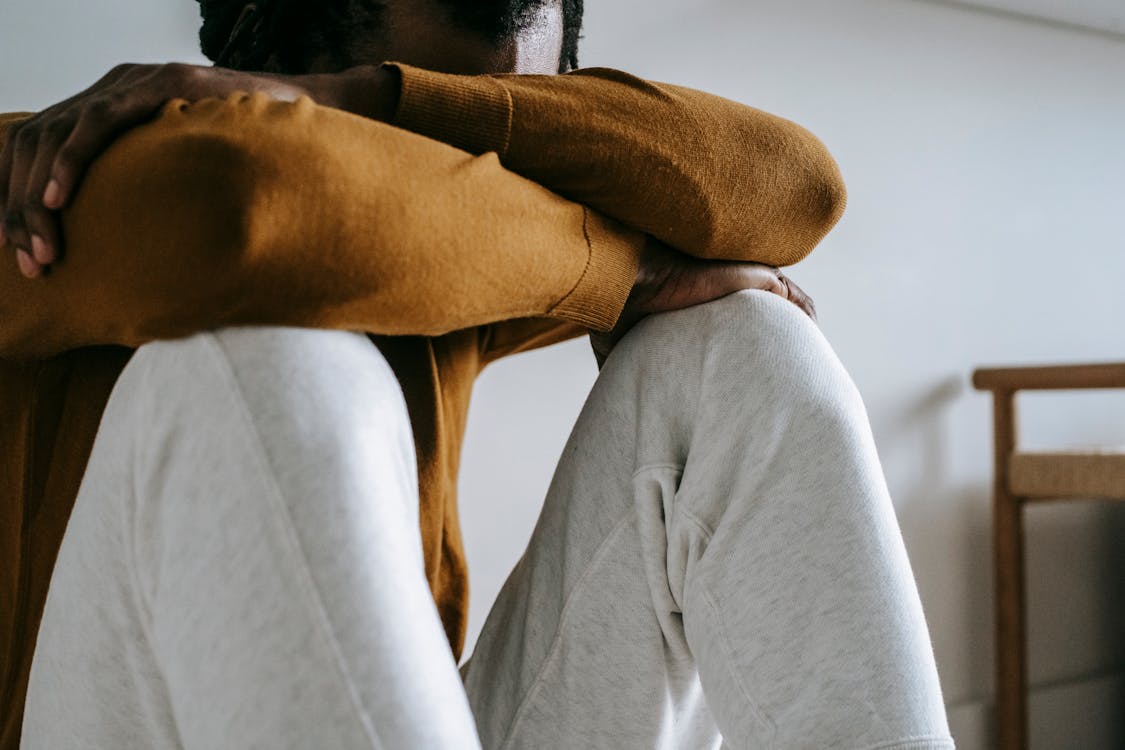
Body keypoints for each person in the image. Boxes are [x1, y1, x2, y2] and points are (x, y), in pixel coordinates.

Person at [0, 0, 954, 747]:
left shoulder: (462, 251)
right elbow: (251, 209)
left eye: (505, 144)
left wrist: (367, 102)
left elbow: (794, 185)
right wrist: (623, 267)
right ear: (244, 69)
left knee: (737, 341)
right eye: (447, 162)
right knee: (271, 360)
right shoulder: (42, 176)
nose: (476, 195)